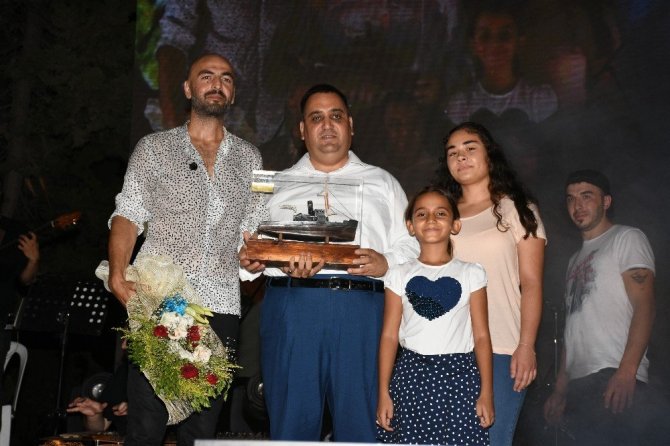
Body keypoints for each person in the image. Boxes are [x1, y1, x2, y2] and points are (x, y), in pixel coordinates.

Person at [240, 83, 419, 441]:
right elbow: (245, 248)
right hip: (291, 307)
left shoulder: (383, 182)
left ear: (350, 125)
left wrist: (385, 262)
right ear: (302, 130)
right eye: (316, 117)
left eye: (336, 116)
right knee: (291, 423)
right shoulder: (272, 184)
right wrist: (253, 262)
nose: (327, 125)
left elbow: (412, 247)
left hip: (363, 310)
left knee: (363, 423)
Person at [106, 53, 268, 446]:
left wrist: (254, 258)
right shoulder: (154, 148)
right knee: (146, 425)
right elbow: (127, 215)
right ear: (188, 88)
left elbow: (254, 232)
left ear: (233, 93)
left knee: (201, 430)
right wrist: (117, 275)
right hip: (163, 300)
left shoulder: (251, 158)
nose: (217, 84)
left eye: (226, 78)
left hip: (221, 306)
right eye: (206, 76)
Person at [438, 121, 546, 446]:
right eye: (453, 152)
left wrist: (525, 346)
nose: (461, 157)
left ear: (489, 155)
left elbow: (532, 283)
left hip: (502, 347)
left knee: (492, 439)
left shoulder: (516, 208)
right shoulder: (439, 215)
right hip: (445, 349)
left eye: (470, 148)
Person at [543, 170, 657, 445]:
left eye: (586, 196)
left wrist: (627, 371)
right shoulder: (574, 260)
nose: (577, 205)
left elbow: (645, 307)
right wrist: (560, 390)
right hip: (579, 383)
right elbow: (573, 327)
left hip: (614, 373)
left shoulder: (627, 238)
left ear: (606, 202)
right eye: (571, 199)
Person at [376, 185, 494, 445]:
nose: (431, 219)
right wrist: (384, 392)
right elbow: (389, 336)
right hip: (411, 377)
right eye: (422, 214)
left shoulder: (471, 273)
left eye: (441, 213)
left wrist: (486, 392)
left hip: (460, 378)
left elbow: (482, 336)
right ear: (410, 226)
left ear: (455, 225)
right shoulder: (398, 274)